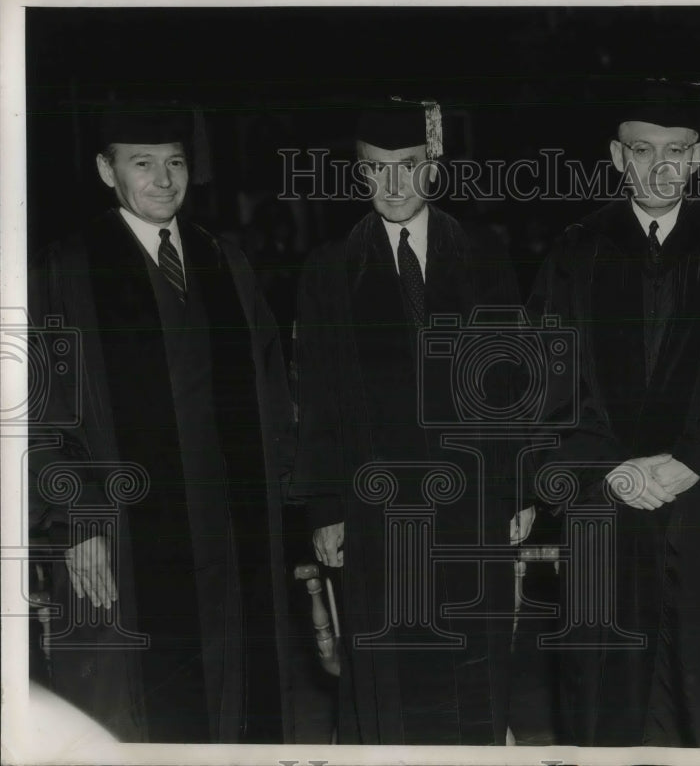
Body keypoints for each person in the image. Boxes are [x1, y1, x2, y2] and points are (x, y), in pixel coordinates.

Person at [527, 79, 700, 747]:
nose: (660, 166)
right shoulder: (574, 252)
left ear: (699, 158)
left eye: (677, 151)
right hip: (605, 507)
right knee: (602, 692)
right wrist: (608, 470)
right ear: (618, 157)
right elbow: (550, 380)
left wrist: (689, 461)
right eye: (643, 150)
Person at [27, 102, 296, 743]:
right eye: (141, 163)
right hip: (119, 539)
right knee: (134, 720)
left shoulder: (224, 262)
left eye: (174, 162)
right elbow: (29, 413)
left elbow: (273, 394)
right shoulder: (64, 271)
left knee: (236, 704)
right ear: (105, 170)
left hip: (231, 538)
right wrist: (73, 520)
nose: (163, 179)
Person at [292, 97, 525, 745]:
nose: (393, 184)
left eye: (408, 166)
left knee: (472, 673)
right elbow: (315, 397)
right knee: (388, 678)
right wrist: (324, 507)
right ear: (360, 173)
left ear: (432, 168)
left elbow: (515, 384)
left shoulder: (483, 254)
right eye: (377, 168)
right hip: (374, 511)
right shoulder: (329, 270)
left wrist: (517, 490)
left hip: (471, 506)